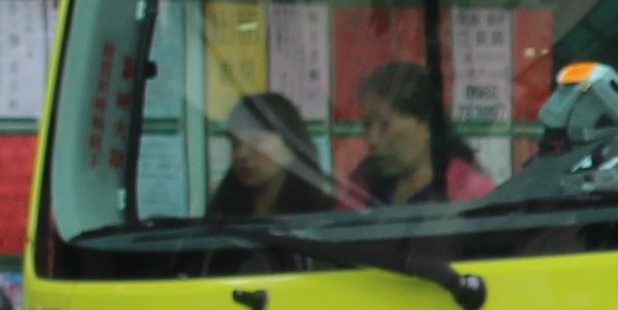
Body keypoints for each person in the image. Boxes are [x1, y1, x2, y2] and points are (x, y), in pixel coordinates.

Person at [345, 60, 494, 207]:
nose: (372, 139)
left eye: (385, 125)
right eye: (367, 125)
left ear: (428, 124)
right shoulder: (364, 188)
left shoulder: (474, 196)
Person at [206, 91, 336, 219]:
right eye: (235, 144)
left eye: (255, 140)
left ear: (290, 145)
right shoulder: (222, 214)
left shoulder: (324, 216)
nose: (241, 154)